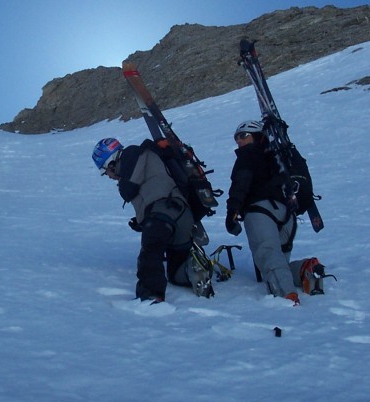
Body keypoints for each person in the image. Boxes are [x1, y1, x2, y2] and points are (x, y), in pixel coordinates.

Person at [92, 137, 200, 303]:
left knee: (150, 252)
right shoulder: (142, 157)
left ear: (111, 160)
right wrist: (142, 221)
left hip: (164, 210)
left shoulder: (131, 153)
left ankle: (150, 296)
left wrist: (149, 221)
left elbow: (128, 189)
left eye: (105, 170)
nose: (108, 175)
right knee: (175, 272)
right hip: (181, 215)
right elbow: (147, 189)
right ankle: (194, 271)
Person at [225, 120, 300, 304]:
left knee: (269, 256)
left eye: (243, 136)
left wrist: (232, 213)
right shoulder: (277, 157)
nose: (239, 141)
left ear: (257, 136)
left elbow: (240, 184)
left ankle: (287, 297)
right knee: (279, 261)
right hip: (286, 215)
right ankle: (306, 270)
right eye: (236, 138)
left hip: (260, 212)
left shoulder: (247, 156)